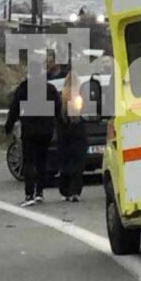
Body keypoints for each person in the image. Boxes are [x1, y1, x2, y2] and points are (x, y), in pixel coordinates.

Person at [5, 57, 60, 207]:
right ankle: (39, 193)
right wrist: (57, 124)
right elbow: (58, 109)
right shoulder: (49, 89)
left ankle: (29, 194)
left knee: (29, 162)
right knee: (42, 161)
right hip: (46, 131)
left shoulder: (24, 88)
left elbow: (14, 108)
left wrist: (8, 126)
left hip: (30, 130)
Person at [56, 71, 88, 202]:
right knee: (77, 163)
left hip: (64, 134)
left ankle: (65, 191)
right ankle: (75, 191)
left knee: (65, 162)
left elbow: (57, 117)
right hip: (78, 133)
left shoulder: (61, 98)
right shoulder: (81, 97)